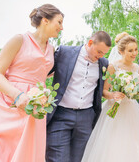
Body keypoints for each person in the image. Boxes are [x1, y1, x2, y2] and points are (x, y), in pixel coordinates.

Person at [0, 4, 64, 162]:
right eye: (59, 22)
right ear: (46, 21)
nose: (61, 27)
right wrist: (17, 95)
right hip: (5, 105)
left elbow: (40, 72)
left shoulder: (51, 50)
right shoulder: (19, 40)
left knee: (25, 155)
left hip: (32, 110)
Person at [81, 33, 139, 162]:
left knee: (134, 144)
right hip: (114, 109)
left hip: (132, 109)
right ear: (121, 51)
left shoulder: (136, 67)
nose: (134, 53)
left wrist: (132, 92)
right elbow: (104, 91)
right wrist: (113, 95)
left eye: (136, 49)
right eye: (130, 51)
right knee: (113, 143)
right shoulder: (113, 66)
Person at [45, 31, 111, 162]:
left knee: (81, 159)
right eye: (99, 51)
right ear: (90, 43)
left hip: (86, 118)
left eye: (104, 53)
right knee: (57, 158)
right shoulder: (64, 52)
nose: (101, 56)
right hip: (60, 115)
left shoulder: (103, 63)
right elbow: (43, 71)